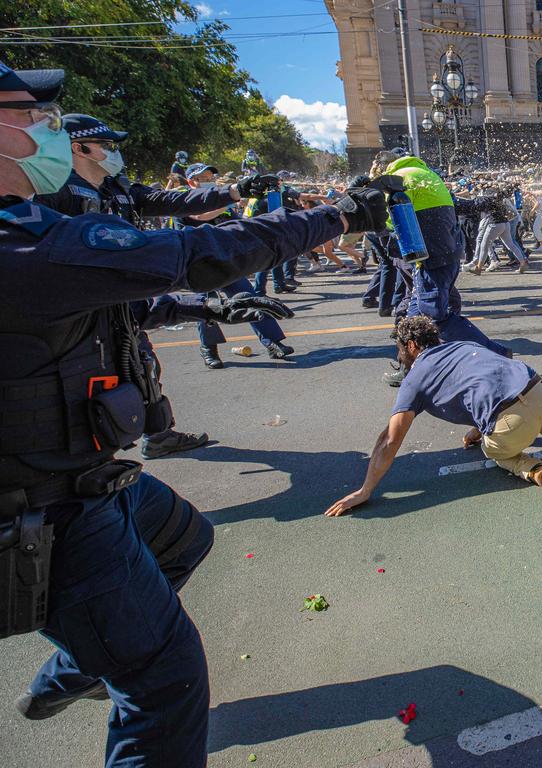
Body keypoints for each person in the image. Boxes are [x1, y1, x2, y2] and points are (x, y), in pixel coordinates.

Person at [0, 63, 387, 767]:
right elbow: (192, 249)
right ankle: (104, 667)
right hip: (46, 510)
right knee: (166, 682)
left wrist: (212, 307)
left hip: (88, 479)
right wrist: (341, 216)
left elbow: (115, 297)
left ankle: (73, 672)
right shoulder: (20, 242)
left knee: (183, 540)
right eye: (30, 114)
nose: (46, 126)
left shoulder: (35, 224)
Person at [34, 113, 287, 456]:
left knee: (142, 362)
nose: (114, 152)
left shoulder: (118, 190)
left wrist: (233, 191)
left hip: (123, 302)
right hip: (77, 310)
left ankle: (159, 434)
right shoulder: (49, 194)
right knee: (78, 383)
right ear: (78, 148)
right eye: (107, 146)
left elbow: (176, 202)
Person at [324, 316, 542, 516]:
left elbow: (389, 439)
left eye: (400, 348)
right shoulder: (463, 346)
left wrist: (365, 490)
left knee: (497, 452)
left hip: (509, 423)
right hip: (538, 389)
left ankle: (536, 471)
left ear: (411, 345)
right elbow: (486, 381)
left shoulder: (415, 376)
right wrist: (477, 427)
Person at [372, 151, 509, 385]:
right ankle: (410, 370)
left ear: (384, 168)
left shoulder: (396, 183)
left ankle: (497, 354)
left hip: (430, 259)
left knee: (436, 316)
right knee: (412, 320)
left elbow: (388, 231)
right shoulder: (426, 174)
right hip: (445, 254)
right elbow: (460, 206)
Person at [179, 163, 296, 365]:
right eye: (203, 178)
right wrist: (232, 198)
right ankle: (209, 350)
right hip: (198, 267)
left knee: (251, 301)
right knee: (206, 309)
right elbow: (200, 215)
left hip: (227, 264)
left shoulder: (223, 206)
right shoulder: (184, 201)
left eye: (210, 177)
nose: (209, 181)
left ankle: (273, 342)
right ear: (192, 182)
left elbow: (239, 227)